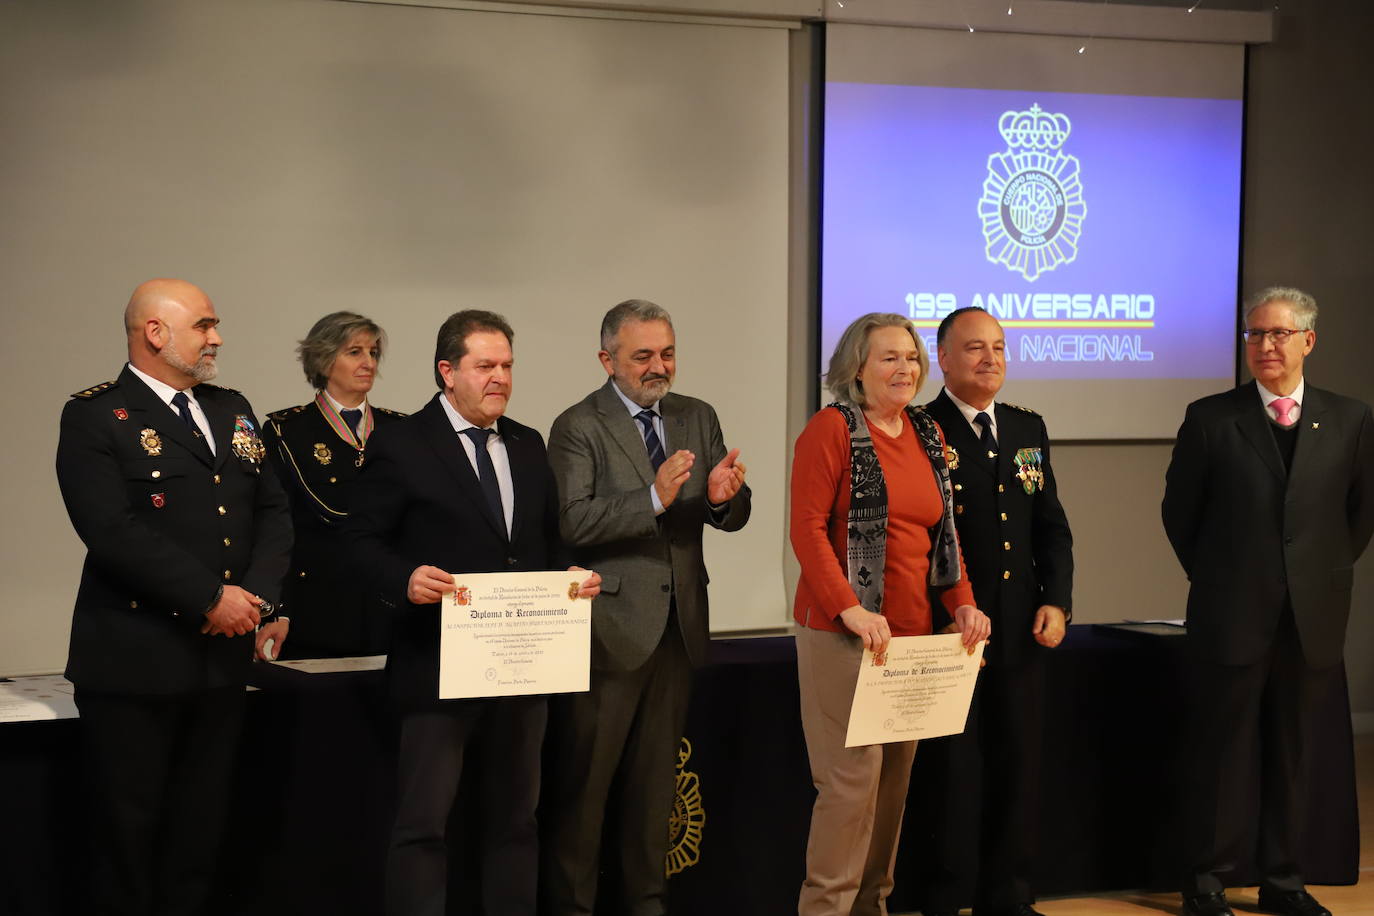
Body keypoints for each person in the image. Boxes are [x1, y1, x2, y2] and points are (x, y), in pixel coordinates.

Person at [345, 309, 599, 916]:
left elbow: (545, 543)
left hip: (523, 669)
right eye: (485, 366)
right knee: (424, 826)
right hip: (436, 668)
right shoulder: (401, 444)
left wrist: (569, 575)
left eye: (507, 366)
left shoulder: (527, 442)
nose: (501, 379)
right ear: (446, 372)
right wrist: (403, 578)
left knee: (517, 821)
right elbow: (356, 543)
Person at [55, 278, 292, 916]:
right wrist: (210, 598)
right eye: (204, 325)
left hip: (218, 663)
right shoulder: (95, 414)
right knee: (127, 836)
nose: (216, 338)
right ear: (155, 333)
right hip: (134, 660)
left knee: (201, 832)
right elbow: (110, 530)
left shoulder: (230, 405)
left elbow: (272, 511)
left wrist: (258, 600)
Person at [1162, 287, 1374, 916]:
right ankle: (1205, 882)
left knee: (1294, 755)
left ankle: (1283, 880)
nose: (1265, 346)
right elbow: (1180, 515)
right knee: (1221, 756)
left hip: (1311, 618)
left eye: (1279, 334)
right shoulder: (1210, 417)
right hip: (1231, 613)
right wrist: (1228, 577)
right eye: (1255, 335)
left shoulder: (1351, 418)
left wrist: (1315, 574)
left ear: (1308, 340)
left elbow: (1358, 518)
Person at [542, 299, 751, 916]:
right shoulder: (578, 425)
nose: (659, 367)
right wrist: (653, 499)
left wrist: (720, 499)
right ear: (608, 360)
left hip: (679, 630)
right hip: (608, 634)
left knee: (655, 791)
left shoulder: (696, 415)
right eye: (643, 356)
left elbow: (731, 513)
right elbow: (572, 520)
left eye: (667, 353)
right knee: (585, 792)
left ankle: (646, 905)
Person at [790, 312, 990, 916]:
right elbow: (806, 532)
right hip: (841, 634)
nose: (905, 368)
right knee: (850, 790)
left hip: (910, 641)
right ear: (856, 368)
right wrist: (849, 608)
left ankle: (871, 907)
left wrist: (963, 604)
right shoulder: (830, 430)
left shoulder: (927, 434)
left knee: (891, 791)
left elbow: (944, 534)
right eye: (889, 358)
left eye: (911, 357)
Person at [918, 307, 1073, 916]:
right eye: (975, 347)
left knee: (1018, 764)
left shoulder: (1025, 427)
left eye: (1000, 348)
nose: (990, 359)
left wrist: (1056, 600)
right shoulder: (921, 427)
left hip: (1019, 626)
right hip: (946, 627)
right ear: (944, 359)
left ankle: (1009, 895)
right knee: (952, 772)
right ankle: (946, 897)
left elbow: (1050, 528)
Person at [262, 311, 406, 658]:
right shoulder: (287, 431)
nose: (368, 362)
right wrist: (280, 609)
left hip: (389, 609)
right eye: (354, 352)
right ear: (325, 360)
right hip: (318, 608)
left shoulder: (401, 431)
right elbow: (278, 528)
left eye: (373, 352)